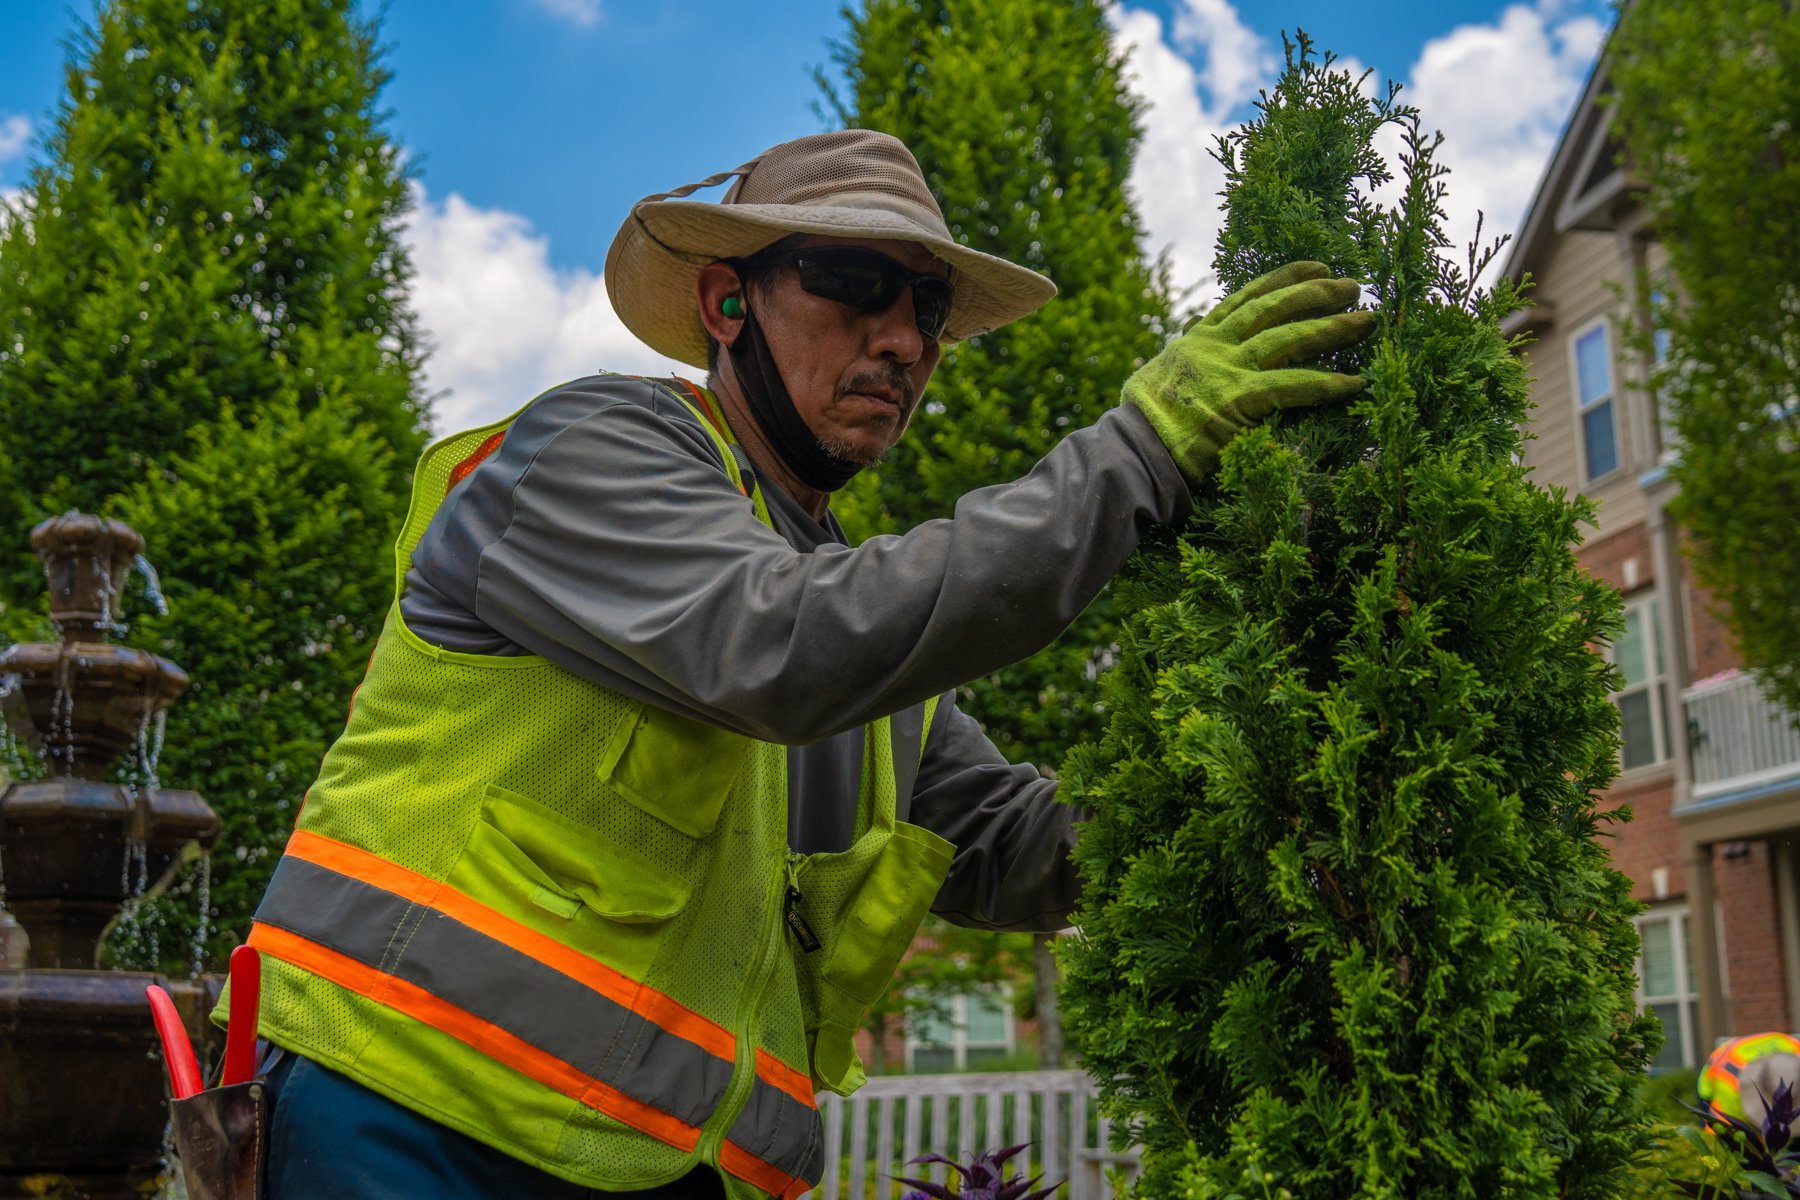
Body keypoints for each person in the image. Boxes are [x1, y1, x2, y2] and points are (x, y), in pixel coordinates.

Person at [236, 129, 1373, 1199]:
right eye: (855, 283)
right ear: (726, 301)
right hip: (412, 1116)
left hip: (667, 1169)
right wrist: (1138, 456)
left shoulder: (864, 638)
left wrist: (1293, 782)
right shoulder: (595, 451)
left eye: (928, 308)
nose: (906, 340)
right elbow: (780, 643)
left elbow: (1018, 844)